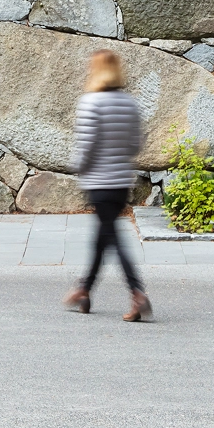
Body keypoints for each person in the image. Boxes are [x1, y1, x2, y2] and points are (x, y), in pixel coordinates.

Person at [61, 50, 152, 322]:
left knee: (112, 238)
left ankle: (137, 293)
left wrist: (77, 166)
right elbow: (135, 145)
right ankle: (84, 291)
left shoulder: (91, 103)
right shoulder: (129, 103)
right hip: (122, 182)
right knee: (102, 238)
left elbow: (86, 147)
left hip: (99, 182)